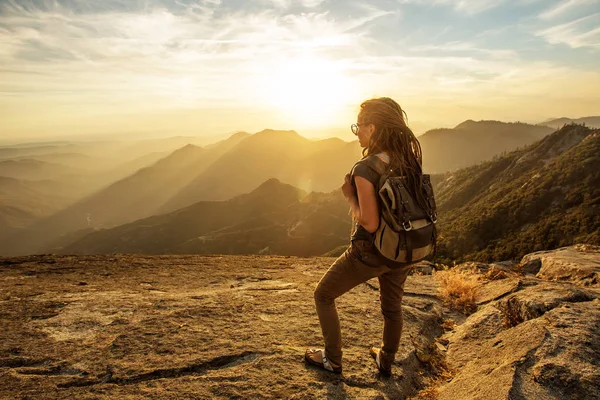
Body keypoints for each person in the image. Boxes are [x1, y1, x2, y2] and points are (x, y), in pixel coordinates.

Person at [304, 97, 426, 377]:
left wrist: (349, 197)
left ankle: (332, 360)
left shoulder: (366, 168)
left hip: (370, 252)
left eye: (358, 126)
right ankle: (385, 360)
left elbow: (370, 222)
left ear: (372, 128)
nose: (356, 131)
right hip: (402, 248)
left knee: (323, 295)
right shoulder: (408, 160)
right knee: (392, 308)